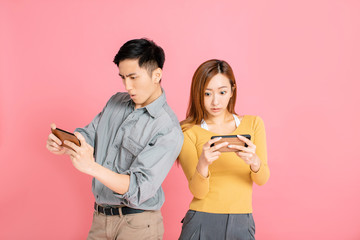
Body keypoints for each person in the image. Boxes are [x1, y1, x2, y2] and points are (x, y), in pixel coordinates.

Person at [46, 38, 184, 240]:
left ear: (157, 75)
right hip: (100, 219)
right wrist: (66, 144)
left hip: (138, 225)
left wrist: (91, 167)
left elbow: (139, 188)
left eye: (133, 77)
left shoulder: (168, 128)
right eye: (123, 78)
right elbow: (90, 135)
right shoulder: (115, 102)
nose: (127, 86)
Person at [178, 59, 270, 240]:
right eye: (207, 93)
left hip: (242, 221)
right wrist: (203, 164)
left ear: (232, 91)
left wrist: (255, 162)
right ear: (198, 94)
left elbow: (262, 179)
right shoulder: (188, 131)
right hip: (201, 220)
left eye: (222, 92)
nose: (215, 101)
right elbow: (198, 192)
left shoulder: (253, 124)